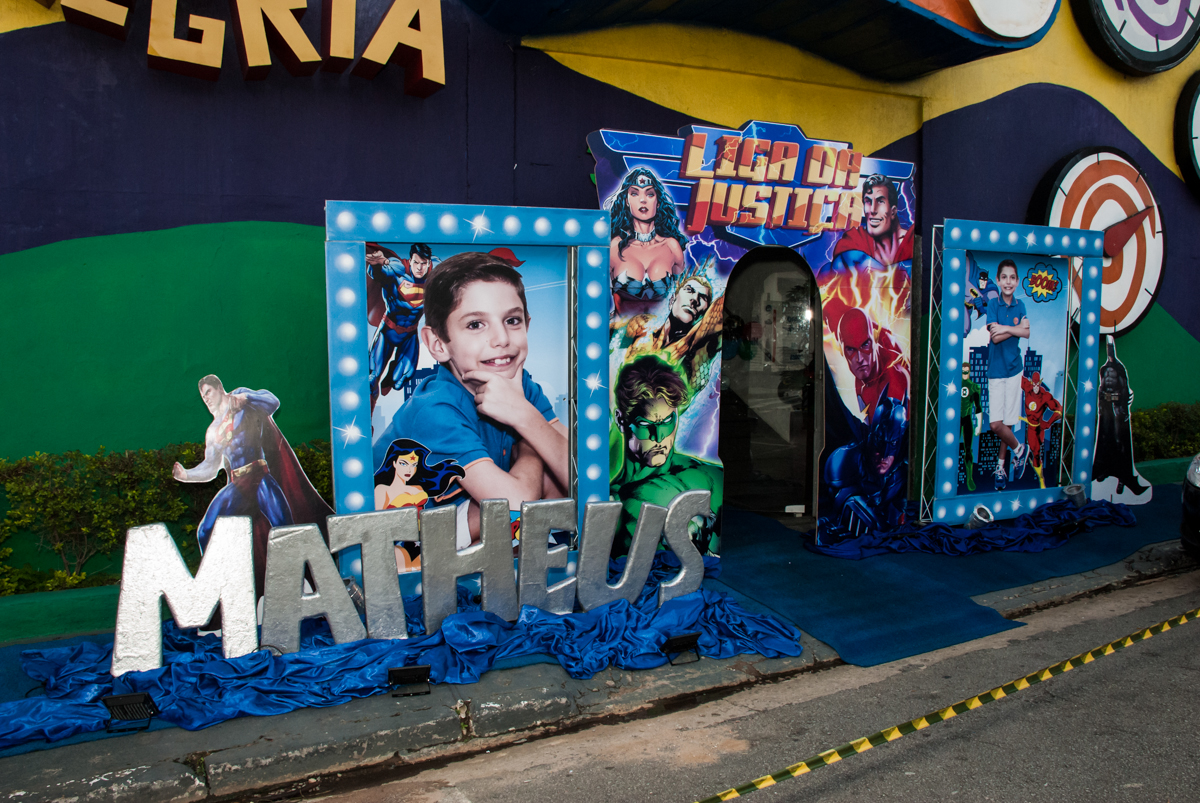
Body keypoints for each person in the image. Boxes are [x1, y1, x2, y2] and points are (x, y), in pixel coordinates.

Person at [373, 252, 568, 546]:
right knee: (519, 488)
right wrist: (529, 434)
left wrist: (526, 417)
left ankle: (521, 550)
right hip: (401, 537)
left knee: (556, 476)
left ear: (527, 324)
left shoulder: (520, 383)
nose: (501, 338)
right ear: (438, 344)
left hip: (463, 512)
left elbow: (583, 478)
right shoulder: (435, 409)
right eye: (476, 324)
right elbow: (514, 506)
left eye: (512, 320)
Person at [173, 375, 332, 597]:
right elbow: (210, 467)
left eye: (208, 392)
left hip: (260, 478)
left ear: (220, 389)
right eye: (202, 395)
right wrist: (186, 475)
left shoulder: (242, 400)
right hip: (238, 486)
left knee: (285, 527)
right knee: (205, 530)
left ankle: (305, 583)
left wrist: (247, 398)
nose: (205, 398)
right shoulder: (214, 429)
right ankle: (217, 591)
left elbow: (272, 402)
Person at [610, 355, 722, 558]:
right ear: (621, 420)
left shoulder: (706, 475)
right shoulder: (610, 498)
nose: (659, 437)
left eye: (668, 421)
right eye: (645, 425)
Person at [821, 391, 908, 540]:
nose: (884, 456)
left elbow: (898, 515)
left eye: (892, 444)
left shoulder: (900, 471)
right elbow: (834, 511)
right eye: (880, 442)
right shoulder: (846, 459)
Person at [623, 268, 724, 387]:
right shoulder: (643, 325)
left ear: (705, 313)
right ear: (672, 299)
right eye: (689, 290)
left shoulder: (698, 349)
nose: (695, 300)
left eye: (703, 298)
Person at [373, 438, 464, 570]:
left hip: (422, 541)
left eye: (414, 465)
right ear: (393, 462)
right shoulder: (382, 489)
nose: (409, 470)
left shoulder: (418, 489)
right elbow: (377, 527)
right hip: (394, 543)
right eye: (404, 463)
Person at [608, 167, 688, 316]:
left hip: (662, 337)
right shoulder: (614, 247)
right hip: (620, 336)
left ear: (658, 202)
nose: (643, 200)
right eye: (634, 193)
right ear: (626, 201)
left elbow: (679, 295)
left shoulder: (672, 247)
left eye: (650, 194)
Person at [367, 243, 434, 410]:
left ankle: (390, 375)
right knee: (371, 377)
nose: (420, 268)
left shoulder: (434, 279)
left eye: (424, 264)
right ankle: (369, 414)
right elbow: (381, 274)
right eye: (416, 263)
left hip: (409, 336)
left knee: (401, 379)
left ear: (429, 263)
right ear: (410, 261)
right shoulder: (397, 273)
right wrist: (377, 264)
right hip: (387, 331)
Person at [986, 259, 1030, 490]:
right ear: (998, 280)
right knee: (995, 424)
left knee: (1009, 421)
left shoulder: (1020, 305)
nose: (1008, 282)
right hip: (996, 371)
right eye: (1004, 277)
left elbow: (1027, 332)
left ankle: (1001, 467)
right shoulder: (993, 304)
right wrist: (1015, 331)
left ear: (1017, 281)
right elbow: (994, 337)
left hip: (1014, 370)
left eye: (1012, 278)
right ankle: (1021, 449)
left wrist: (1005, 329)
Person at [1093, 336, 1148, 495]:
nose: (1109, 350)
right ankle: (1104, 469)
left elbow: (1123, 390)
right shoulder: (1103, 369)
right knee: (1105, 438)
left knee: (1120, 441)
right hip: (1106, 410)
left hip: (1117, 410)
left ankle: (1123, 477)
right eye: (1108, 347)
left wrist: (1119, 404)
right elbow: (1101, 390)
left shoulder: (1119, 368)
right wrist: (1102, 402)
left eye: (1111, 347)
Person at [836, 308, 910, 416]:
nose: (859, 359)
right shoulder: (862, 376)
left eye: (865, 344)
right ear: (842, 351)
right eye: (851, 349)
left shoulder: (893, 379)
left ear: (875, 340)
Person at [832, 174, 913, 269]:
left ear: (893, 211)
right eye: (868, 201)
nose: (873, 210)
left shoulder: (911, 241)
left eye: (880, 201)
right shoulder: (855, 240)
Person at [1020, 371, 1062, 489]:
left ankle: (1040, 478)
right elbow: (1016, 376)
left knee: (1037, 454)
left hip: (1038, 427)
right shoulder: (1027, 387)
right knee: (1033, 450)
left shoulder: (1045, 396)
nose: (1035, 387)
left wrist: (1049, 422)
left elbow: (1059, 409)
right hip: (1029, 425)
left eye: (1037, 385)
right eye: (1034, 384)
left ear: (1040, 383)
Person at [961, 363, 983, 492]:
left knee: (968, 450)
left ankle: (969, 477)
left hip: (967, 418)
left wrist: (978, 426)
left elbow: (978, 407)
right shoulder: (955, 385)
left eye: (966, 371)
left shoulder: (974, 387)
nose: (964, 374)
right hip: (955, 419)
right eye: (963, 371)